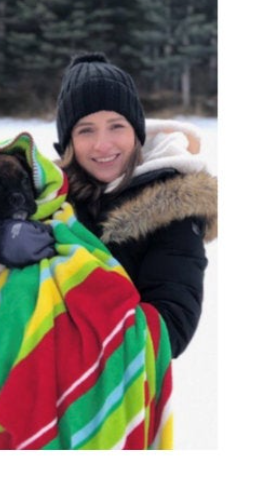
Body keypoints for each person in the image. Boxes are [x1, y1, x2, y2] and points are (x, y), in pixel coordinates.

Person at [54, 53, 217, 358]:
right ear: (69, 143)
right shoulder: (50, 195)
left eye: (116, 126)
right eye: (86, 130)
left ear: (136, 132)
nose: (103, 144)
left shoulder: (173, 205)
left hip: (124, 393)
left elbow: (171, 328)